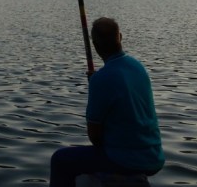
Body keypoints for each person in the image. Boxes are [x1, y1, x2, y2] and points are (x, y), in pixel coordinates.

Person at [49, 17, 165, 187]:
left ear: (95, 46)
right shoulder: (137, 67)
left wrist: (97, 84)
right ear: (121, 37)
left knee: (60, 159)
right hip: (154, 155)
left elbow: (94, 137)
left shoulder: (101, 80)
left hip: (127, 160)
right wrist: (98, 81)